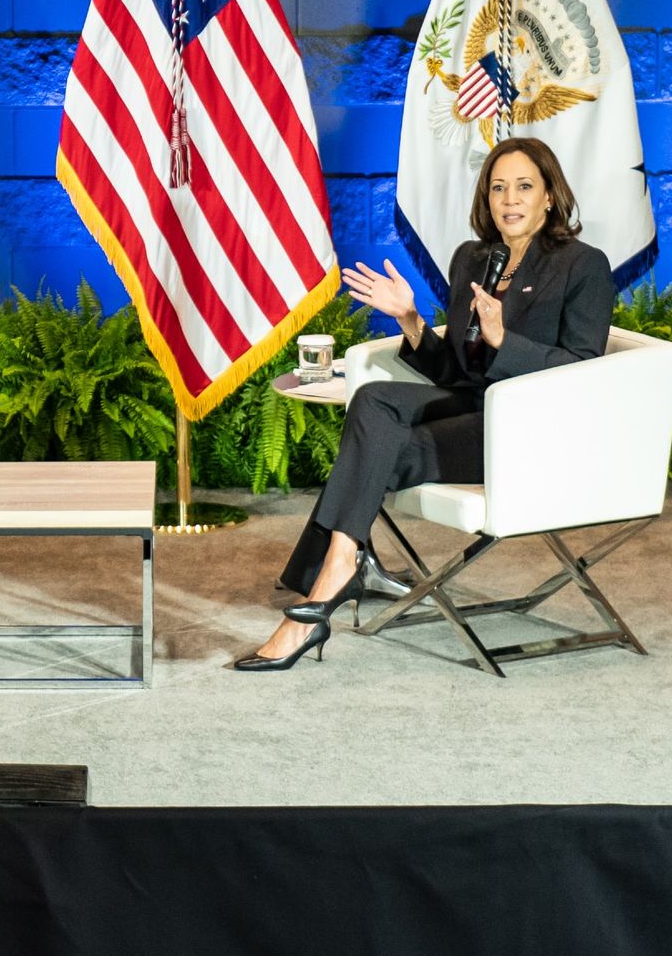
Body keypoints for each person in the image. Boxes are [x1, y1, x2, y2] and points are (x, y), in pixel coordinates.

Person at [235, 136, 615, 671]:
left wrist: (504, 340)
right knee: (374, 401)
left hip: (528, 428)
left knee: (381, 447)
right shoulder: (473, 258)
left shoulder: (583, 265)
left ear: (550, 196)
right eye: (498, 188)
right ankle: (342, 564)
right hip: (469, 403)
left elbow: (582, 371)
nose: (510, 199)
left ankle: (327, 583)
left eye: (525, 186)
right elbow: (453, 372)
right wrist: (410, 319)